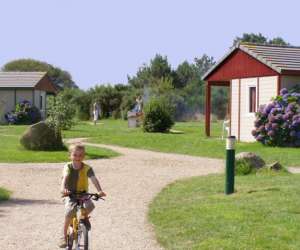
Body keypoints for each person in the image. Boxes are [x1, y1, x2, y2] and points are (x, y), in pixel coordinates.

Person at [59, 144, 106, 248]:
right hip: (70, 193)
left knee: (90, 206)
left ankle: (83, 219)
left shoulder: (87, 168)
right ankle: (63, 236)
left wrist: (99, 190)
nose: (77, 157)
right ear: (70, 156)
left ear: (83, 156)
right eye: (75, 155)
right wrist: (63, 189)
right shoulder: (68, 167)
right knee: (69, 213)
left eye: (80, 155)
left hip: (83, 193)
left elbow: (94, 179)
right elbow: (65, 178)